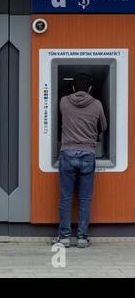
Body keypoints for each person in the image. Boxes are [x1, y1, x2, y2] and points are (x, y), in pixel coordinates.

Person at [56, 73, 107, 248]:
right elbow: (103, 127)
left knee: (66, 197)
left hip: (67, 153)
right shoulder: (97, 104)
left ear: (72, 87)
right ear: (90, 89)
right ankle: (82, 238)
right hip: (87, 154)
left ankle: (64, 237)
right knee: (85, 198)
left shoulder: (63, 101)